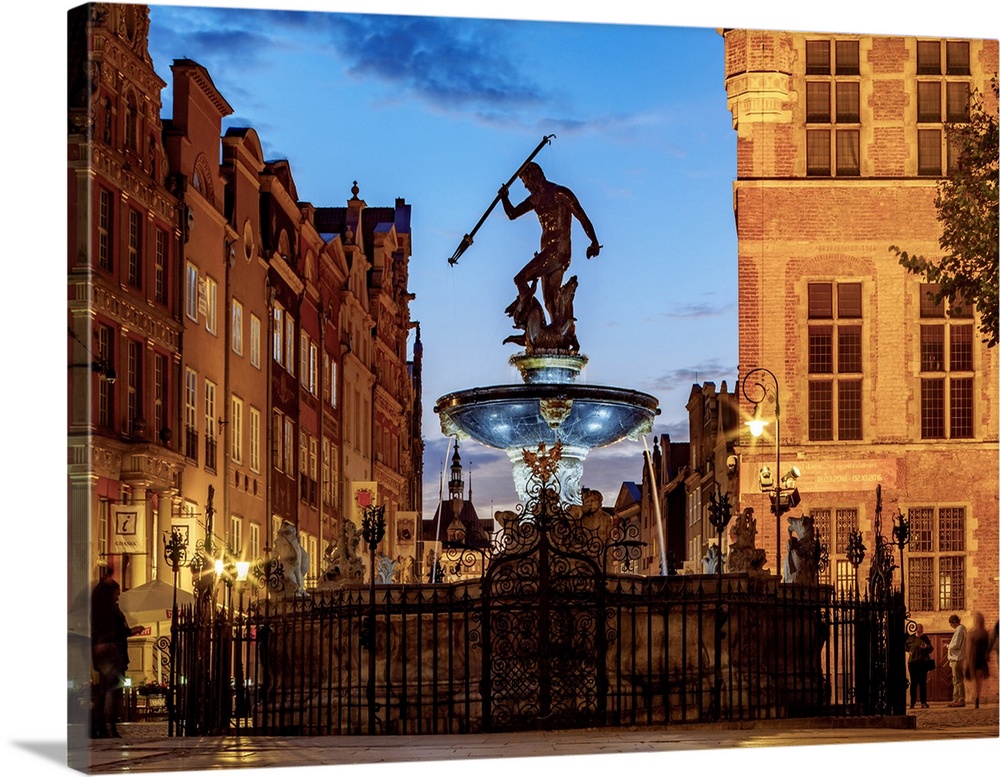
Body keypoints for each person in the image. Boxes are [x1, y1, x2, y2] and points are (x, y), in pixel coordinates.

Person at [499, 162, 601, 342]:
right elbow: (513, 214)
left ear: (533, 176)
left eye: (525, 181)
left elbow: (582, 217)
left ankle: (525, 321)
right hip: (547, 251)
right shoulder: (536, 199)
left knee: (520, 278)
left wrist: (594, 241)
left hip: (558, 250)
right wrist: (504, 198)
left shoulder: (560, 193)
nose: (525, 186)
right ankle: (558, 337)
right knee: (550, 301)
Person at [91, 579, 143, 737]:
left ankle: (102, 727)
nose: (118, 597)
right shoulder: (106, 610)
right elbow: (111, 633)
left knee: (107, 690)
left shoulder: (101, 609)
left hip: (110, 653)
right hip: (111, 653)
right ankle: (106, 727)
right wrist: (131, 631)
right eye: (116, 594)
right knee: (112, 691)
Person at [906, 623, 934, 709]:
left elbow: (930, 649)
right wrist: (909, 651)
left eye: (921, 629)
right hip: (913, 663)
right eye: (918, 629)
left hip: (923, 663)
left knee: (922, 683)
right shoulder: (911, 638)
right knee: (913, 683)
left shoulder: (925, 638)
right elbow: (905, 646)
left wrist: (926, 647)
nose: (919, 631)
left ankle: (923, 702)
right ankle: (912, 702)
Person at [967, 611, 991, 709]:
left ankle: (976, 699)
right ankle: (977, 698)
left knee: (976, 680)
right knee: (977, 681)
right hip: (978, 658)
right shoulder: (984, 633)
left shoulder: (974, 632)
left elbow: (969, 648)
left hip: (976, 658)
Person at [946, 613, 968, 707]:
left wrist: (948, 646)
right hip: (957, 658)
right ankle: (956, 699)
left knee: (958, 680)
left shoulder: (959, 631)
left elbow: (956, 645)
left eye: (951, 624)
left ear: (954, 622)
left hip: (957, 658)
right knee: (956, 680)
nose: (951, 626)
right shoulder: (961, 630)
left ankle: (961, 699)